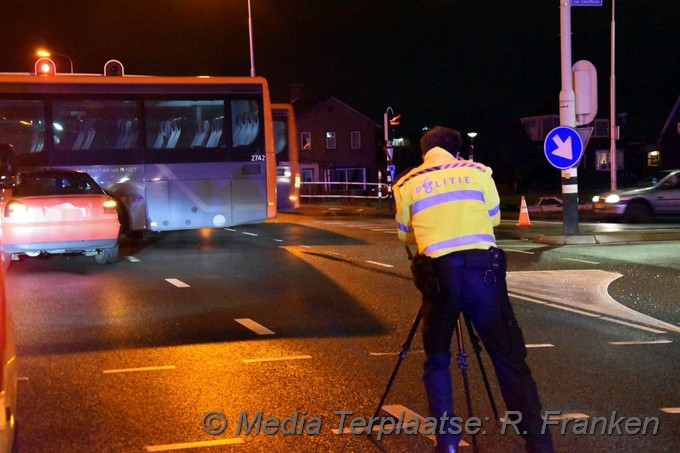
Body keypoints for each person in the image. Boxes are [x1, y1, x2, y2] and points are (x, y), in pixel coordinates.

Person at [392, 126, 554, 453]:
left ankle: (448, 442)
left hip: (440, 277)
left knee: (437, 360)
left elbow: (405, 234)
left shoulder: (406, 183)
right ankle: (538, 443)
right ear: (458, 149)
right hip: (485, 274)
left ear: (424, 151)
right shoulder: (479, 172)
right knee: (509, 360)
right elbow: (492, 218)